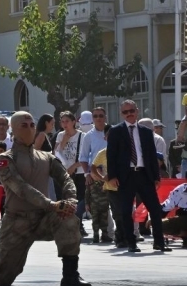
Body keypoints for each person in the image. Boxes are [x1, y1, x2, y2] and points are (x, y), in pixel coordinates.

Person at [0, 112, 91, 286]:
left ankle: (70, 275)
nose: (31, 129)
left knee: (69, 219)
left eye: (32, 125)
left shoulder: (46, 157)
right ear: (13, 130)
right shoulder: (5, 160)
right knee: (2, 278)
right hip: (17, 221)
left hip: (43, 219)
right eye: (24, 126)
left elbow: (65, 179)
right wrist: (52, 204)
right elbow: (21, 189)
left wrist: (70, 201)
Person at [106, 99, 169, 253]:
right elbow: (111, 156)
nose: (129, 114)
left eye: (131, 111)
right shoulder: (116, 131)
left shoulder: (146, 132)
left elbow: (151, 157)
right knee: (127, 211)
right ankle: (131, 243)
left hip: (144, 175)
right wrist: (112, 176)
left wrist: (156, 177)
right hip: (125, 177)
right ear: (121, 114)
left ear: (137, 111)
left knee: (154, 209)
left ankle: (159, 242)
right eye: (125, 112)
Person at [79, 107, 113, 244]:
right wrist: (87, 174)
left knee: (118, 205)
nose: (98, 118)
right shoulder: (88, 136)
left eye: (101, 115)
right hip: (96, 175)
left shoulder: (113, 131)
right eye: (95, 116)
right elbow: (83, 158)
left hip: (113, 173)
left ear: (105, 117)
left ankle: (129, 232)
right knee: (100, 207)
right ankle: (105, 234)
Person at [53, 111, 87, 232]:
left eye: (67, 121)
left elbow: (85, 155)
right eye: (62, 122)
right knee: (67, 198)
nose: (64, 124)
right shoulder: (60, 135)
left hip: (79, 171)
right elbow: (56, 153)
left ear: (74, 122)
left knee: (80, 197)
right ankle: (70, 223)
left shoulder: (82, 136)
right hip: (65, 172)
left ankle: (78, 223)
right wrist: (64, 140)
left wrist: (74, 166)